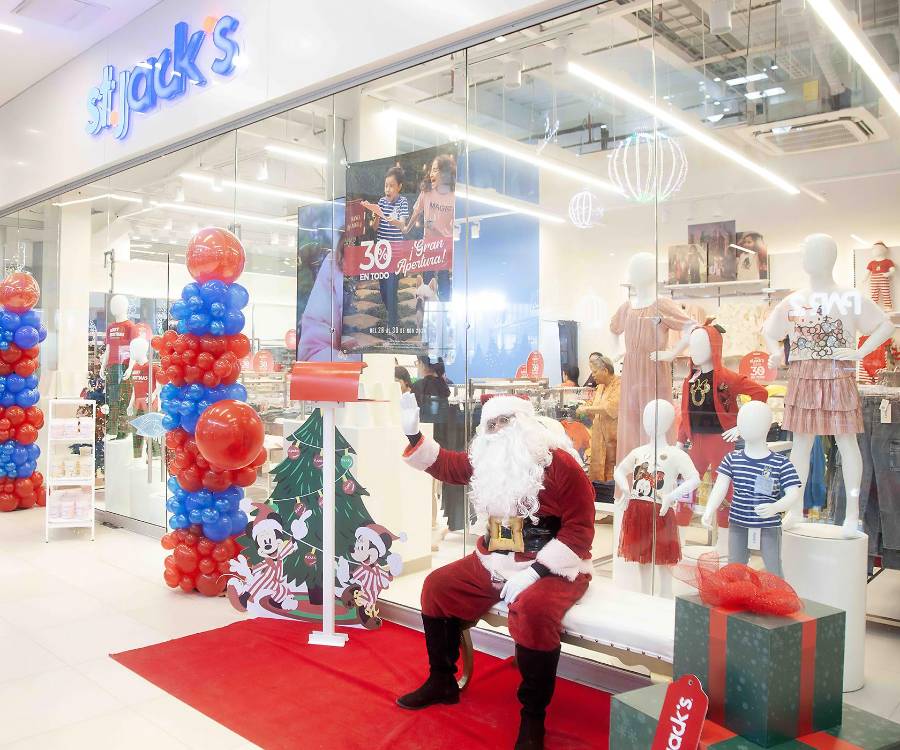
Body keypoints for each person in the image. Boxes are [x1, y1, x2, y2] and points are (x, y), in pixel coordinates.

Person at [396, 392, 595, 750]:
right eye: (491, 424)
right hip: (496, 558)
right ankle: (442, 680)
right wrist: (413, 435)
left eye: (506, 421)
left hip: (553, 566)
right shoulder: (486, 460)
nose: (499, 430)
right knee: (437, 587)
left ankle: (533, 717)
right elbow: (448, 465)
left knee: (533, 611)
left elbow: (579, 531)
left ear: (525, 425)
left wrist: (536, 572)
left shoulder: (561, 466)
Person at [361, 166, 410, 332]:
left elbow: (403, 225)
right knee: (383, 288)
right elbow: (375, 228)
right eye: (386, 186)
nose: (387, 189)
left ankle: (393, 324)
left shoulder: (402, 202)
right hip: (381, 252)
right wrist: (376, 216)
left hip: (395, 252)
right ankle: (393, 316)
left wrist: (391, 219)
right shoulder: (381, 202)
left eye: (391, 186)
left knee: (391, 287)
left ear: (399, 187)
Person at [405, 154, 456, 301]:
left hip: (445, 244)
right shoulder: (426, 191)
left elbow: (456, 222)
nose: (431, 173)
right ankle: (426, 311)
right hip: (429, 243)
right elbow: (416, 212)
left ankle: (445, 313)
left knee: (444, 278)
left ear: (445, 172)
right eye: (431, 170)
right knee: (427, 278)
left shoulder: (453, 195)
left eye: (435, 170)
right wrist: (407, 227)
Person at [577, 355, 620, 483]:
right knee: (597, 475)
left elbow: (611, 407)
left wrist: (588, 410)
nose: (593, 375)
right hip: (598, 438)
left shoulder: (619, 384)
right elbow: (593, 404)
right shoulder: (600, 387)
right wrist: (583, 407)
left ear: (605, 370)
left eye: (595, 372)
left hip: (613, 439)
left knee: (612, 473)